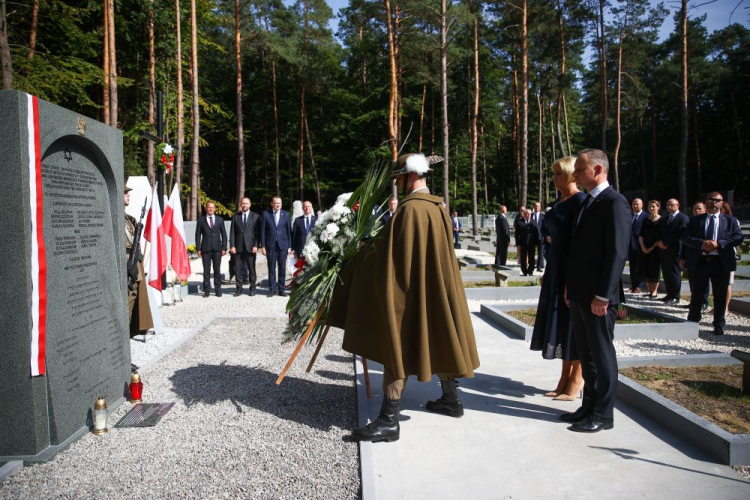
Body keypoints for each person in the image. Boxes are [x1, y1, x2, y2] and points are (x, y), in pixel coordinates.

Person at [327, 153, 480, 443]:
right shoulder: (437, 208)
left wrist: (358, 255)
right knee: (440, 333)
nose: (397, 183)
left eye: (399, 178)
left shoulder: (411, 210)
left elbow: (392, 256)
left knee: (399, 344)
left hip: (412, 290)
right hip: (436, 288)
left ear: (410, 176)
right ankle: (451, 400)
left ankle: (388, 421)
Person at [562, 149, 630, 433]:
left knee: (602, 356)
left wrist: (604, 295)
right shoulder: (588, 201)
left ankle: (603, 414)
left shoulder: (615, 203)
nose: (574, 174)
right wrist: (571, 287)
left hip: (599, 297)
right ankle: (589, 406)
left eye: (580, 169)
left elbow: (616, 252)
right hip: (580, 294)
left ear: (598, 170)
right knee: (586, 354)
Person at [530, 157, 586, 401]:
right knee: (561, 323)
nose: (553, 178)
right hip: (555, 268)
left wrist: (571, 278)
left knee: (575, 325)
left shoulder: (580, 201)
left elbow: (580, 243)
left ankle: (577, 378)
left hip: (571, 269)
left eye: (557, 174)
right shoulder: (559, 202)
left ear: (572, 175)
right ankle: (564, 376)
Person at [683, 192, 743, 336]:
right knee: (697, 294)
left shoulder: (730, 221)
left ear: (722, 203)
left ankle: (718, 324)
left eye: (717, 200)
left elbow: (738, 238)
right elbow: (685, 238)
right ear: (706, 202)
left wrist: (719, 244)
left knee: (720, 295)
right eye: (711, 200)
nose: (714, 203)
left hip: (720, 262)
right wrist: (702, 244)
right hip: (701, 261)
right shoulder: (696, 221)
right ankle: (692, 322)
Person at [124, 186, 154, 336]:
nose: (128, 194)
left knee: (135, 300)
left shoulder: (130, 220)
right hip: (125, 266)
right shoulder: (115, 220)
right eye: (124, 193)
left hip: (134, 266)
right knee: (126, 304)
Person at [655, 199, 689, 305]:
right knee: (666, 272)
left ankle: (675, 296)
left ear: (677, 205)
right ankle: (669, 294)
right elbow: (659, 231)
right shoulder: (665, 219)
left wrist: (666, 243)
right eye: (667, 205)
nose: (669, 207)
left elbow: (678, 233)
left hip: (674, 249)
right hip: (663, 250)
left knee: (674, 273)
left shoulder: (683, 218)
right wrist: (659, 241)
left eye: (671, 205)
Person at [261, 196, 293, 297]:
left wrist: (289, 246)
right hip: (270, 245)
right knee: (271, 268)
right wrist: (263, 246)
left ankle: (281, 289)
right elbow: (262, 231)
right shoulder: (266, 214)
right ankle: (272, 289)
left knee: (282, 268)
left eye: (279, 203)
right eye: (276, 203)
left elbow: (289, 231)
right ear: (272, 204)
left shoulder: (286, 214)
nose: (278, 205)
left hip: (283, 245)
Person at [680, 202, 709, 311]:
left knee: (704, 281)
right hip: (691, 256)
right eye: (695, 209)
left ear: (705, 210)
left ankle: (704, 302)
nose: (697, 211)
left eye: (699, 209)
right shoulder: (690, 222)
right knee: (692, 280)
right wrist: (682, 256)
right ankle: (695, 301)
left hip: (704, 256)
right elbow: (685, 240)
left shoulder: (707, 222)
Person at [195, 201, 227, 297]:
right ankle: (207, 290)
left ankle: (218, 290)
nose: (211, 209)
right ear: (206, 208)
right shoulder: (201, 220)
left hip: (217, 248)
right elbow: (197, 235)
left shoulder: (220, 220)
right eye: (209, 207)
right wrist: (198, 248)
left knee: (217, 270)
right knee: (206, 270)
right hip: (205, 248)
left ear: (215, 209)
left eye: (212, 207)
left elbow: (224, 235)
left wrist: (224, 247)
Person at [230, 197, 260, 297]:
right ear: (240, 204)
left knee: (251, 269)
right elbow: (232, 232)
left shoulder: (255, 216)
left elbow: (257, 233)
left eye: (246, 203)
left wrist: (256, 245)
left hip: (250, 247)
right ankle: (239, 288)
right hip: (238, 247)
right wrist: (232, 245)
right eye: (242, 203)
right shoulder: (235, 216)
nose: (244, 205)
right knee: (238, 269)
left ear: (250, 204)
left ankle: (252, 288)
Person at [638, 201, 663, 299]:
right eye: (650, 207)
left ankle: (655, 291)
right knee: (646, 268)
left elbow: (660, 236)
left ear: (658, 207)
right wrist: (643, 247)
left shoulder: (661, 220)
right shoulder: (645, 220)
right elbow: (641, 235)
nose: (651, 209)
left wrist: (652, 247)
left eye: (653, 206)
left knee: (655, 269)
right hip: (645, 247)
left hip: (656, 248)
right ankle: (650, 290)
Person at [628, 198, 647, 293]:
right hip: (630, 245)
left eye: (637, 204)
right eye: (633, 204)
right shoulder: (629, 215)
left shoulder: (645, 216)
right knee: (632, 265)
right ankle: (633, 284)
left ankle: (638, 285)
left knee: (640, 265)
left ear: (642, 205)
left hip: (640, 245)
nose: (635, 206)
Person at [515, 209, 537, 276]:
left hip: (531, 243)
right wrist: (518, 244)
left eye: (529, 214)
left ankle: (531, 271)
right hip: (523, 243)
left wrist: (536, 243)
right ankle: (524, 271)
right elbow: (517, 234)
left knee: (531, 258)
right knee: (523, 258)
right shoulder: (519, 222)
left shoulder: (533, 222)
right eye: (527, 213)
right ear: (524, 214)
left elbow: (536, 233)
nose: (528, 215)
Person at [531, 202, 546, 272]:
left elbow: (545, 227)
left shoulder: (543, 216)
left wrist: (544, 235)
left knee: (540, 253)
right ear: (534, 207)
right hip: (532, 237)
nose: (537, 208)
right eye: (536, 206)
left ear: (540, 208)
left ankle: (539, 267)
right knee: (532, 252)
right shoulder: (531, 215)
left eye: (538, 206)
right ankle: (531, 265)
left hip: (540, 236)